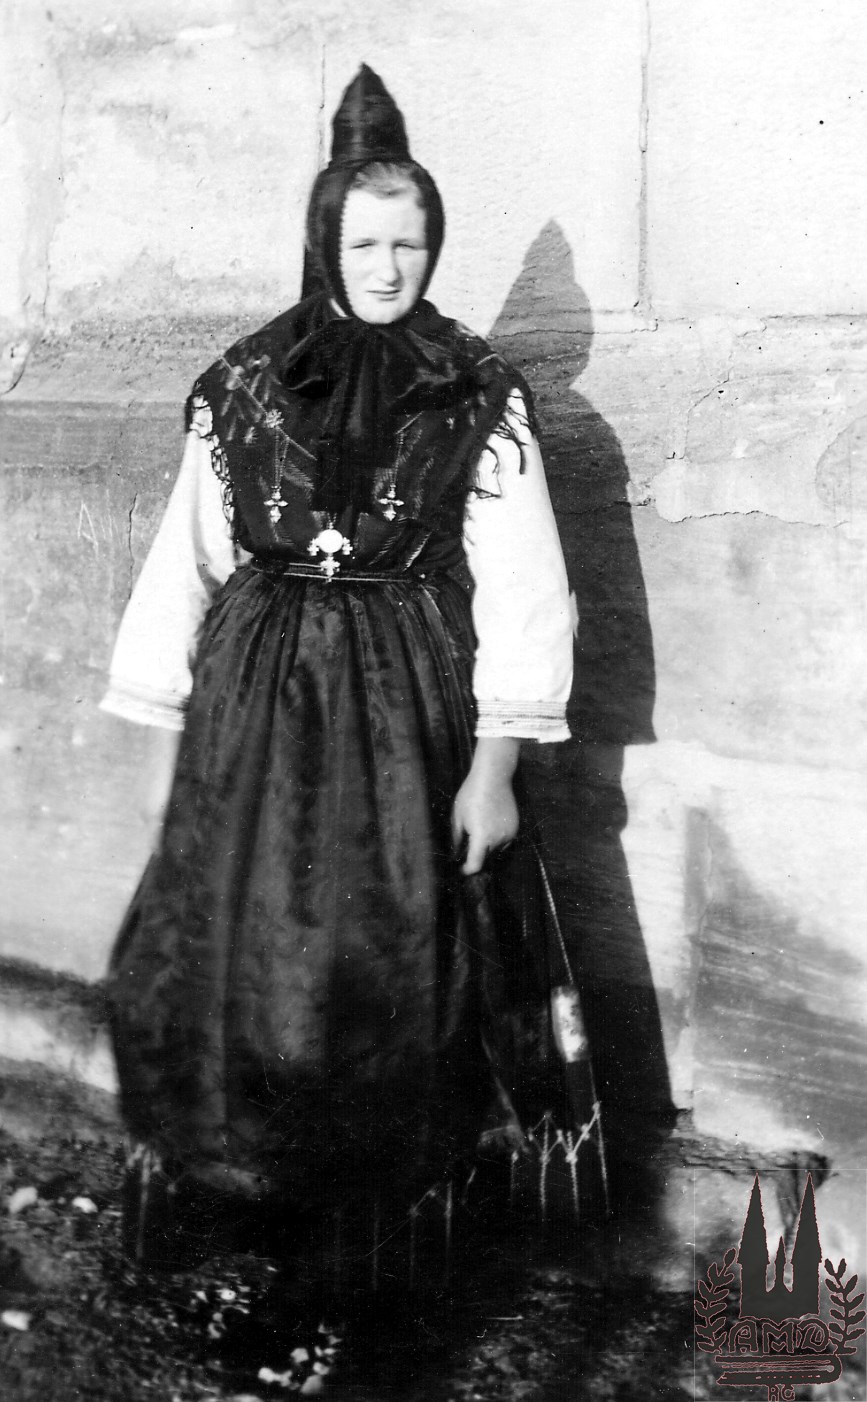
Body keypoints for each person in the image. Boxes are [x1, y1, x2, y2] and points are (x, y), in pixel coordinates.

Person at [102, 66, 574, 1278]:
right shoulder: (246, 384)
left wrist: (495, 771)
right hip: (253, 709)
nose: (387, 266)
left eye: (409, 242)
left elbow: (525, 589)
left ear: (434, 245)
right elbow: (183, 564)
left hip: (402, 708)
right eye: (364, 241)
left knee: (384, 948)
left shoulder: (475, 390)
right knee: (239, 942)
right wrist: (164, 751)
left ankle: (372, 1218)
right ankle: (244, 1182)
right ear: (326, 242)